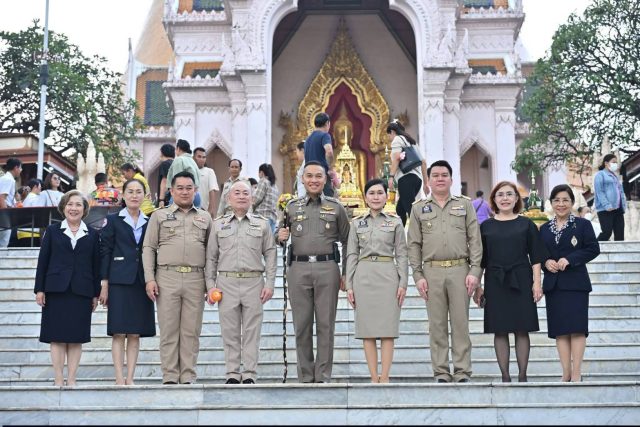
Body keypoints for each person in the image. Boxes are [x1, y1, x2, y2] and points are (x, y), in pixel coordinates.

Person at [407, 160, 482, 383]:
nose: (440, 179)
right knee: (437, 325)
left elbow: (475, 240)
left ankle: (462, 371)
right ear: (428, 180)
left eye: (444, 175)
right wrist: (418, 275)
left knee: (460, 324)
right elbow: (414, 244)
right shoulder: (418, 208)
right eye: (435, 175)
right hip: (432, 272)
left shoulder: (464, 205)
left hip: (460, 270)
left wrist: (475, 272)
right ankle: (441, 371)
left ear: (451, 179)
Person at [276, 161, 350, 383]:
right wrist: (279, 237)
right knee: (302, 325)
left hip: (327, 268)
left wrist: (345, 273)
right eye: (309, 176)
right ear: (303, 179)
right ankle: (306, 376)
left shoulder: (336, 208)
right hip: (298, 269)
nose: (314, 180)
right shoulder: (291, 207)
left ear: (325, 180)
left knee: (326, 325)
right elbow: (280, 235)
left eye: (318, 176)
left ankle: (323, 375)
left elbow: (348, 241)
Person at [142, 171, 212, 384]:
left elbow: (212, 253)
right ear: (171, 191)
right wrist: (149, 278)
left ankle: (188, 375)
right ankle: (170, 376)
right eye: (179, 188)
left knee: (191, 331)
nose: (184, 192)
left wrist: (210, 284)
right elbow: (148, 247)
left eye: (189, 188)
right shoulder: (159, 216)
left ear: (195, 191)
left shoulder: (205, 217)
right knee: (169, 330)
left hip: (195, 279)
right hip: (167, 278)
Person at [472, 181, 546, 383]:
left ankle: (522, 375)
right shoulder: (486, 226)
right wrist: (478, 287)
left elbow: (536, 257)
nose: (505, 198)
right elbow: (481, 260)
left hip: (521, 279)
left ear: (516, 199)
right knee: (500, 329)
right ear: (494, 200)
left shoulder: (526, 224)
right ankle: (505, 376)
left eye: (509, 194)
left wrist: (537, 283)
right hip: (495, 281)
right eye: (500, 195)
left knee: (522, 329)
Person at [205, 180, 277, 384]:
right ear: (229, 199)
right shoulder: (218, 224)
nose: (241, 196)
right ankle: (232, 373)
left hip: (253, 282)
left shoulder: (262, 224)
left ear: (252, 198)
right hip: (226, 283)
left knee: (252, 331)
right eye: (237, 193)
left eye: (246, 193)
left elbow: (270, 254)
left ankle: (250, 373)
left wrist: (270, 283)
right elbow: (211, 257)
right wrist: (210, 286)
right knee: (230, 331)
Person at [34, 190, 101, 386]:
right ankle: (58, 378)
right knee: (56, 337)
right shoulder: (52, 231)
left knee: (76, 337)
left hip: (82, 291)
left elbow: (96, 266)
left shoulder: (92, 234)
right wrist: (40, 289)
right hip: (55, 290)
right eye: (70, 204)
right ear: (63, 207)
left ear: (84, 209)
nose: (74, 208)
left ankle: (71, 379)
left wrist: (95, 294)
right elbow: (43, 261)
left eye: (78, 205)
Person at [345, 178, 408, 383]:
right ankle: (374, 377)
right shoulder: (356, 223)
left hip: (388, 275)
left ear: (386, 196)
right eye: (371, 193)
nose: (376, 197)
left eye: (380, 193)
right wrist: (349, 285)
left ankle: (385, 376)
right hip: (363, 276)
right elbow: (352, 254)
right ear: (365, 197)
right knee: (368, 330)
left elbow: (402, 254)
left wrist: (403, 283)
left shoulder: (395, 222)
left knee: (387, 329)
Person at [540, 184, 600, 382]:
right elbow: (539, 254)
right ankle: (565, 372)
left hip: (576, 284)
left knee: (577, 328)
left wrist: (571, 259)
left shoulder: (582, 225)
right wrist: (546, 262)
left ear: (572, 203)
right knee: (560, 331)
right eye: (556, 200)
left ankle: (576, 372)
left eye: (565, 200)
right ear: (551, 203)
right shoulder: (544, 229)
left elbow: (593, 249)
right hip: (554, 286)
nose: (561, 204)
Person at [99, 178, 156, 385]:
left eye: (138, 191)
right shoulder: (113, 220)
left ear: (145, 196)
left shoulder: (151, 222)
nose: (134, 195)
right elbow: (105, 251)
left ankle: (130, 378)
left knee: (134, 333)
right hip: (119, 281)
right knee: (118, 332)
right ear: (123, 195)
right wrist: (104, 283)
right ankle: (118, 378)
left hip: (141, 282)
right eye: (130, 191)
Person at [387, 120, 429, 226]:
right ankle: (401, 233)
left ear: (392, 132)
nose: (389, 138)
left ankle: (423, 232)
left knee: (411, 211)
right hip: (417, 180)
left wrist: (391, 177)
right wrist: (425, 183)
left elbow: (397, 158)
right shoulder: (413, 142)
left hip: (405, 179)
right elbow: (423, 162)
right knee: (400, 209)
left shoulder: (397, 139)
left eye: (388, 135)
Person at [594, 154, 627, 241]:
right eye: (613, 162)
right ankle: (592, 247)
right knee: (606, 233)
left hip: (618, 209)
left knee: (620, 235)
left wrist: (623, 206)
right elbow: (599, 191)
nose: (615, 164)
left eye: (616, 162)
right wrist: (607, 205)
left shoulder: (615, 176)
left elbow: (621, 192)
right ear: (606, 163)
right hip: (605, 209)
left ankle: (619, 251)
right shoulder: (600, 175)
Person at [304, 112, 335, 197]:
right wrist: (330, 169)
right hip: (320, 175)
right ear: (327, 123)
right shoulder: (325, 135)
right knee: (328, 202)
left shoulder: (308, 139)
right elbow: (329, 151)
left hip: (309, 178)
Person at [166, 139, 201, 208]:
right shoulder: (192, 161)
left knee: (174, 214)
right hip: (195, 194)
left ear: (178, 148)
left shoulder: (179, 159)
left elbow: (177, 180)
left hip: (182, 195)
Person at [0, 158, 22, 247]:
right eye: (20, 168)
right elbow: (2, 198)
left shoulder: (5, 178)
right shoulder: (8, 179)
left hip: (4, 212)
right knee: (3, 243)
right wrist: (6, 216)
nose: (21, 170)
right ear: (16, 168)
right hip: (4, 213)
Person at [193, 147, 220, 218]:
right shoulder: (189, 171)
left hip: (203, 211)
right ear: (193, 157)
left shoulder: (209, 171)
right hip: (189, 210)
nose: (202, 159)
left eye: (204, 157)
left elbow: (212, 191)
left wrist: (209, 212)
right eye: (199, 157)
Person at [252, 164, 279, 232]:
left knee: (258, 238)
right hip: (272, 219)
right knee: (269, 239)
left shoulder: (263, 181)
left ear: (261, 172)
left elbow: (257, 199)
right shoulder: (275, 186)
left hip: (262, 217)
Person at [157, 143, 175, 208]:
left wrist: (161, 200)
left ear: (162, 153)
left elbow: (164, 181)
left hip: (168, 199)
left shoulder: (165, 164)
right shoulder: (176, 163)